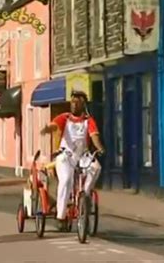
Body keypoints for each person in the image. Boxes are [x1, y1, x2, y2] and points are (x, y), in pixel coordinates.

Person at [41, 90, 105, 231]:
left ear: (83, 104)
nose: (74, 105)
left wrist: (99, 148)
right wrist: (47, 129)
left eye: (77, 102)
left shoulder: (89, 121)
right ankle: (61, 216)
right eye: (72, 102)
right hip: (66, 155)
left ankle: (85, 194)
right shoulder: (65, 117)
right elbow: (54, 125)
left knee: (96, 167)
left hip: (82, 155)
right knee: (66, 180)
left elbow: (94, 136)